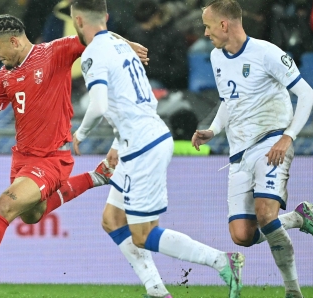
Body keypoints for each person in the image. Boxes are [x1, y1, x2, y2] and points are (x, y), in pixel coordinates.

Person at [0, 14, 149, 298]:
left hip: (52, 159)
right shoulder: (5, 76)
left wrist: (126, 46)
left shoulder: (54, 52)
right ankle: (98, 176)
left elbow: (95, 36)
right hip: (22, 159)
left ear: (14, 41)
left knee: (5, 205)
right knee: (32, 216)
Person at [70, 1, 244, 298]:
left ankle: (220, 260)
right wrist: (116, 144)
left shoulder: (94, 54)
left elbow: (98, 105)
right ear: (107, 17)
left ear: (77, 21)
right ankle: (156, 289)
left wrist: (81, 132)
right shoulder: (122, 47)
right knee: (112, 220)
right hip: (138, 139)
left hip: (142, 146)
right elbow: (131, 101)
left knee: (144, 235)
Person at [192, 1, 313, 297]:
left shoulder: (267, 53)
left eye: (208, 25)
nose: (205, 32)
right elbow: (230, 101)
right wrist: (213, 130)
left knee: (265, 215)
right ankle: (296, 218)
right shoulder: (216, 57)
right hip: (239, 153)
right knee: (242, 236)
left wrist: (288, 136)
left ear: (224, 25)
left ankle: (293, 291)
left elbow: (307, 94)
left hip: (272, 141)